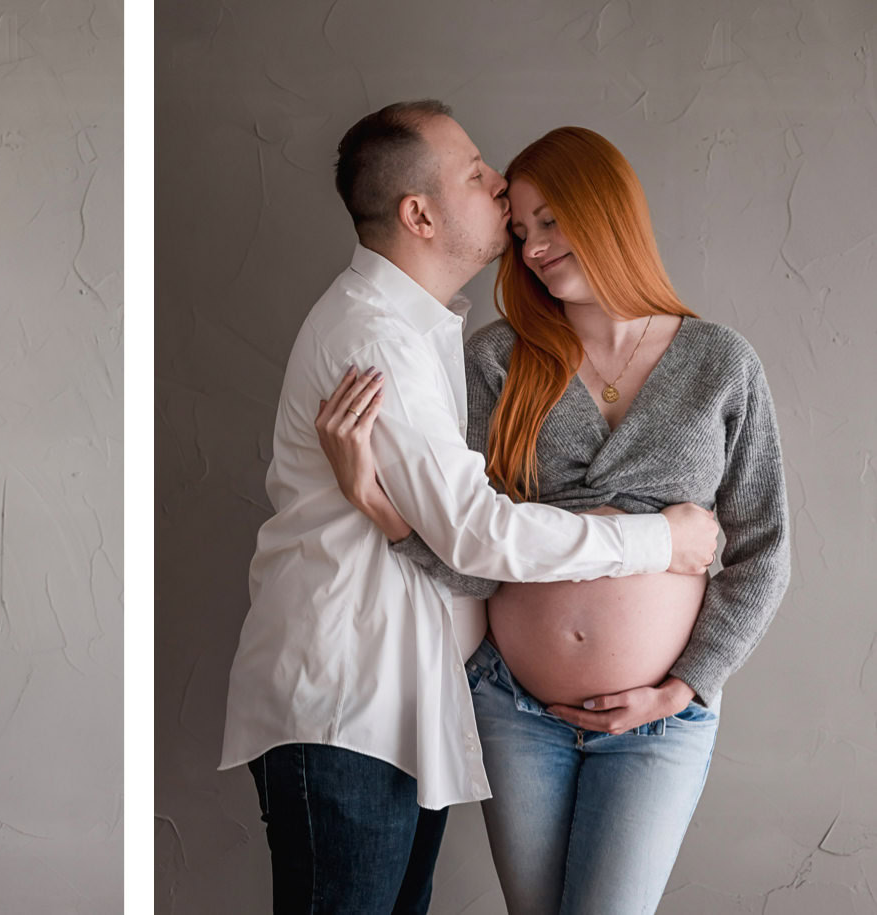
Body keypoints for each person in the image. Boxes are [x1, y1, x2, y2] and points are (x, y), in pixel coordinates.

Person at [218, 100, 720, 914]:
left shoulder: (428, 337)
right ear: (418, 213)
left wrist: (383, 511)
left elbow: (452, 540)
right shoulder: (379, 339)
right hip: (352, 701)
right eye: (478, 174)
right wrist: (656, 542)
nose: (499, 189)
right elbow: (477, 530)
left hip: (406, 700)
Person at [316, 125, 790, 913]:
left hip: (657, 721)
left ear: (608, 212)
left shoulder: (720, 362)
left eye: (552, 221)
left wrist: (688, 685)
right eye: (522, 229)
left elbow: (764, 547)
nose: (533, 247)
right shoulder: (498, 359)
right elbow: (471, 548)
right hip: (514, 709)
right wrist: (376, 504)